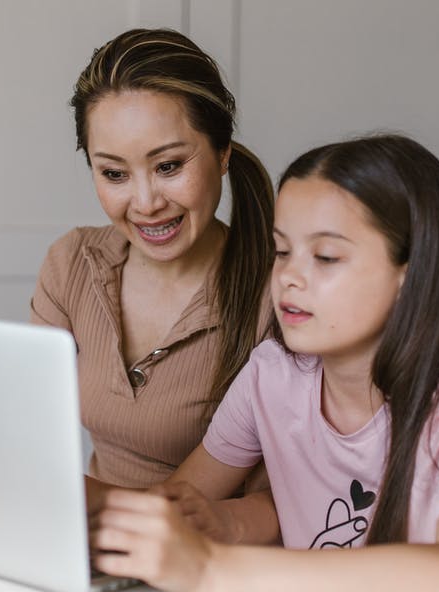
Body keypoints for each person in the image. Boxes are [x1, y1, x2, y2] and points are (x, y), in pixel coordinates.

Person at [92, 134, 439, 592]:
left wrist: (213, 567)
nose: (289, 278)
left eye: (325, 257)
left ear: (410, 272)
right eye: (282, 252)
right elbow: (183, 498)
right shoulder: (272, 375)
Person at [29, 29, 275, 495]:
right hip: (93, 545)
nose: (145, 203)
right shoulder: (72, 264)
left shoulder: (279, 293)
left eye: (168, 167)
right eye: (114, 174)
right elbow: (28, 430)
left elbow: (277, 505)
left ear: (222, 153)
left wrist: (103, 511)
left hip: (210, 554)